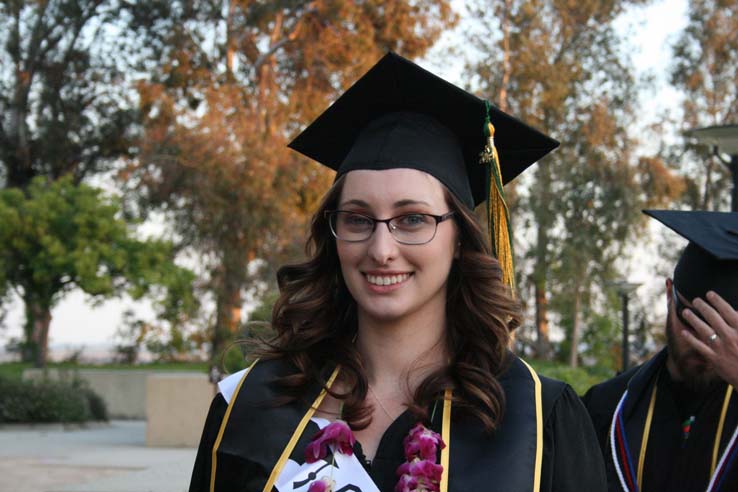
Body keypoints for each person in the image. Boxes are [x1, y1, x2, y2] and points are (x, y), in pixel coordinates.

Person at [189, 52, 606, 492]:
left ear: (460, 238)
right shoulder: (253, 404)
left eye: (412, 219)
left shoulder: (535, 418)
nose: (381, 249)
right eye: (357, 218)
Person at [583, 210, 738, 492]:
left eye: (722, 330)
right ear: (669, 294)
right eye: (692, 319)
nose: (702, 341)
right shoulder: (607, 406)